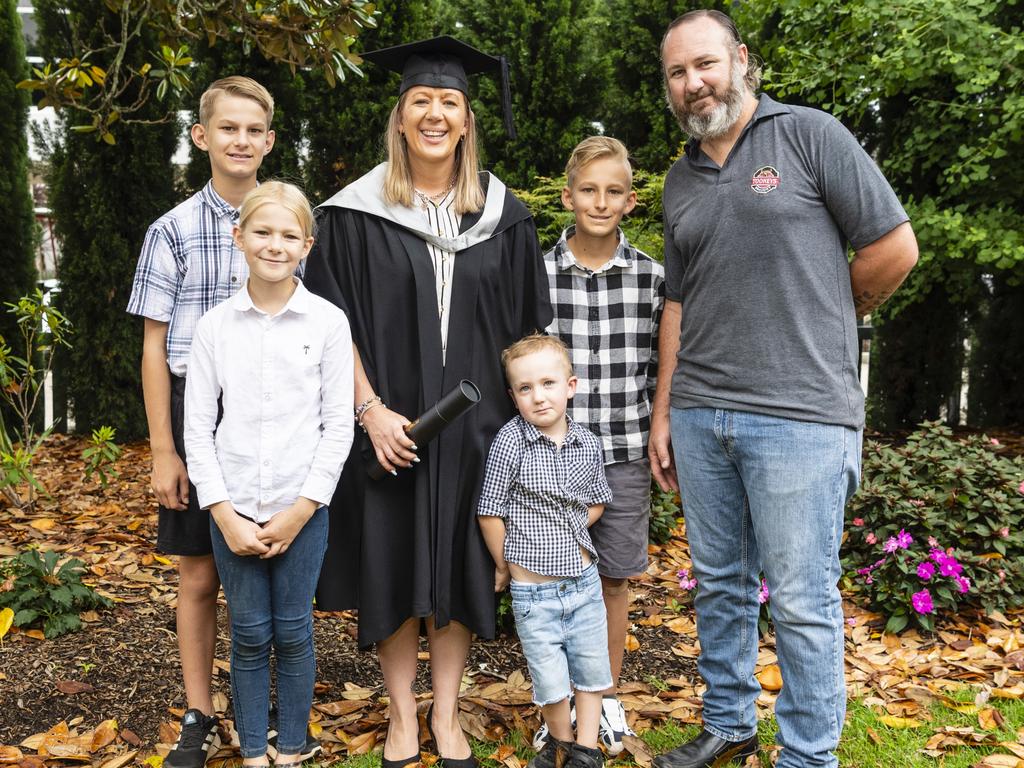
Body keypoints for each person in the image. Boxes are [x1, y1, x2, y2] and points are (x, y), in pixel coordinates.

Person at [649, 10, 919, 768]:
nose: (693, 82)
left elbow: (895, 247)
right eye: (677, 72)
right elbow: (679, 301)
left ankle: (807, 755)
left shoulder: (809, 135)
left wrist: (837, 310)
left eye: (704, 63)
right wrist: (666, 410)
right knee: (721, 588)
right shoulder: (680, 177)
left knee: (802, 602)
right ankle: (730, 725)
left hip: (801, 415)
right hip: (701, 414)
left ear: (739, 59)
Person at [304, 36, 552, 768]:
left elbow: (525, 334)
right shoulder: (352, 215)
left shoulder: (506, 218)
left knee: (461, 569)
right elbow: (329, 323)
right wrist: (369, 410)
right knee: (393, 564)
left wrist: (522, 434)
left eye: (450, 102)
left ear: (468, 120)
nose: (436, 113)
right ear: (401, 115)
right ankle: (401, 718)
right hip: (389, 427)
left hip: (478, 434)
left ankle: (445, 715)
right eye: (422, 101)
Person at [126, 76, 285, 768]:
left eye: (254, 130)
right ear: (201, 137)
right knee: (199, 575)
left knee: (275, 565)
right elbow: (155, 347)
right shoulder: (173, 232)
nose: (241, 140)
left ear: (270, 141)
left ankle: (270, 701)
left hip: (274, 411)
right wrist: (164, 449)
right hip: (200, 410)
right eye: (228, 128)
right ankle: (199, 708)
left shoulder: (287, 225)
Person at [183, 181, 354, 768]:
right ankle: (253, 749)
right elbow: (198, 429)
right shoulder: (214, 328)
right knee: (250, 632)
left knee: (294, 629)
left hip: (302, 507)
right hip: (233, 510)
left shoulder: (328, 323)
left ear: (306, 245)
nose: (274, 245)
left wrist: (303, 508)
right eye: (262, 232)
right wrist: (223, 514)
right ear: (239, 237)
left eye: (288, 235)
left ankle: (294, 744)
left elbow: (338, 426)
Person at [541, 136, 664, 755]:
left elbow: (660, 366)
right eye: (588, 189)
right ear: (568, 196)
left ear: (631, 201)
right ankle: (558, 704)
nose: (600, 200)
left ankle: (606, 697)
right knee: (553, 578)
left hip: (621, 452)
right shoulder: (537, 275)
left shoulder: (650, 277)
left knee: (612, 578)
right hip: (551, 460)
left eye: (614, 191)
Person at [477, 334, 613, 768]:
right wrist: (504, 563)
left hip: (583, 582)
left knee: (591, 669)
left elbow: (597, 499)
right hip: (533, 591)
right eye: (525, 388)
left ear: (570, 386)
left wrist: (564, 527)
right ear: (512, 396)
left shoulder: (588, 444)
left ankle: (587, 749)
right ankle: (561, 741)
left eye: (548, 384)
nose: (538, 397)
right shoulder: (510, 442)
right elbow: (490, 509)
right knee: (550, 676)